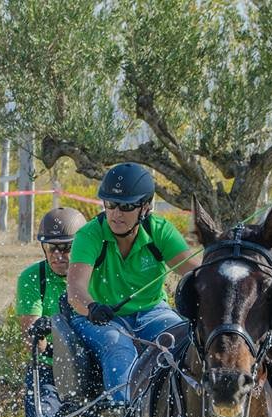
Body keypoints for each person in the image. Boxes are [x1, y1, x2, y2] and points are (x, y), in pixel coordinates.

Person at [66, 163, 199, 404]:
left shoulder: (160, 231)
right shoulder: (89, 235)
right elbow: (75, 290)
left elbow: (197, 275)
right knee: (118, 347)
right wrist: (92, 307)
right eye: (110, 205)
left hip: (153, 313)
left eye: (126, 207)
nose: (116, 213)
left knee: (184, 339)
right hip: (100, 317)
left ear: (146, 207)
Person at [16, 207, 89, 417]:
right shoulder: (32, 277)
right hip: (50, 368)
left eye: (66, 248)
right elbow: (31, 338)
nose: (58, 255)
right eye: (51, 248)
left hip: (93, 366)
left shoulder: (95, 274)